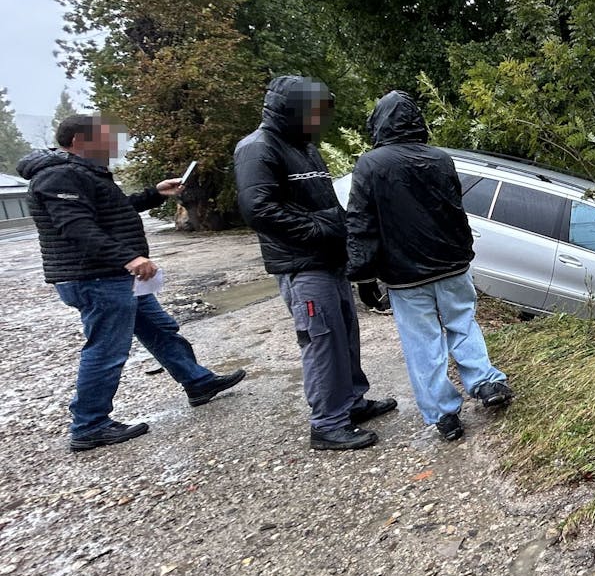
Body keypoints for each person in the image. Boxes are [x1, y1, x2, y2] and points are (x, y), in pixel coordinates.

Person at [17, 115, 246, 452]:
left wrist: (154, 195)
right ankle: (89, 424)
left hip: (114, 276)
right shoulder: (58, 174)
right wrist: (128, 257)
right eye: (106, 139)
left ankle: (198, 382)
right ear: (81, 140)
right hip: (95, 277)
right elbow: (76, 226)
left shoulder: (80, 171)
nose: (113, 146)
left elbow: (112, 210)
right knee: (107, 349)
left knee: (160, 328)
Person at [234, 76, 395, 451]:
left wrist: (353, 248)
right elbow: (258, 209)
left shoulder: (305, 148)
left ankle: (352, 403)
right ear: (292, 109)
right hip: (302, 266)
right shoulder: (257, 148)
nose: (320, 120)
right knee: (321, 341)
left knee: (346, 336)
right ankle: (327, 422)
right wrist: (322, 228)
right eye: (314, 112)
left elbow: (327, 204)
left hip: (329, 261)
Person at [345, 91, 513, 441]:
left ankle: (444, 415)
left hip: (404, 275)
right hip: (451, 265)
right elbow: (455, 211)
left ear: (379, 125)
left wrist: (363, 275)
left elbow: (361, 224)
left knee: (422, 343)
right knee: (463, 323)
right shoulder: (440, 159)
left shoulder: (370, 165)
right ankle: (486, 384)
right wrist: (463, 252)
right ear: (417, 122)